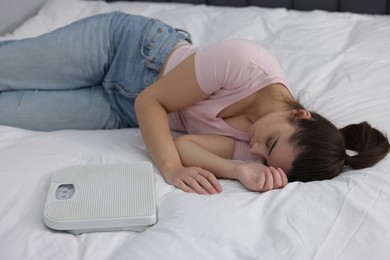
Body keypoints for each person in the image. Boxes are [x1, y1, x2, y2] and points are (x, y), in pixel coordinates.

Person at [0, 12, 389, 194]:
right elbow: (153, 101)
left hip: (119, 108)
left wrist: (238, 170)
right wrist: (170, 170)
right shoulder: (245, 62)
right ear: (297, 114)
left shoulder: (257, 151)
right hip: (123, 51)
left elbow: (187, 145)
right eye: (269, 143)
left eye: (265, 159)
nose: (255, 148)